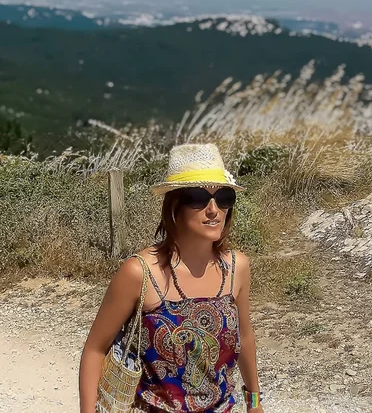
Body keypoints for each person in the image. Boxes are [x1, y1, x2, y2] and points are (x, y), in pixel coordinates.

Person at [79, 143, 263, 413]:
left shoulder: (237, 267)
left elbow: (245, 338)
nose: (214, 209)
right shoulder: (140, 272)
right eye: (198, 198)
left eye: (223, 197)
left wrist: (254, 403)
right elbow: (95, 350)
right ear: (174, 204)